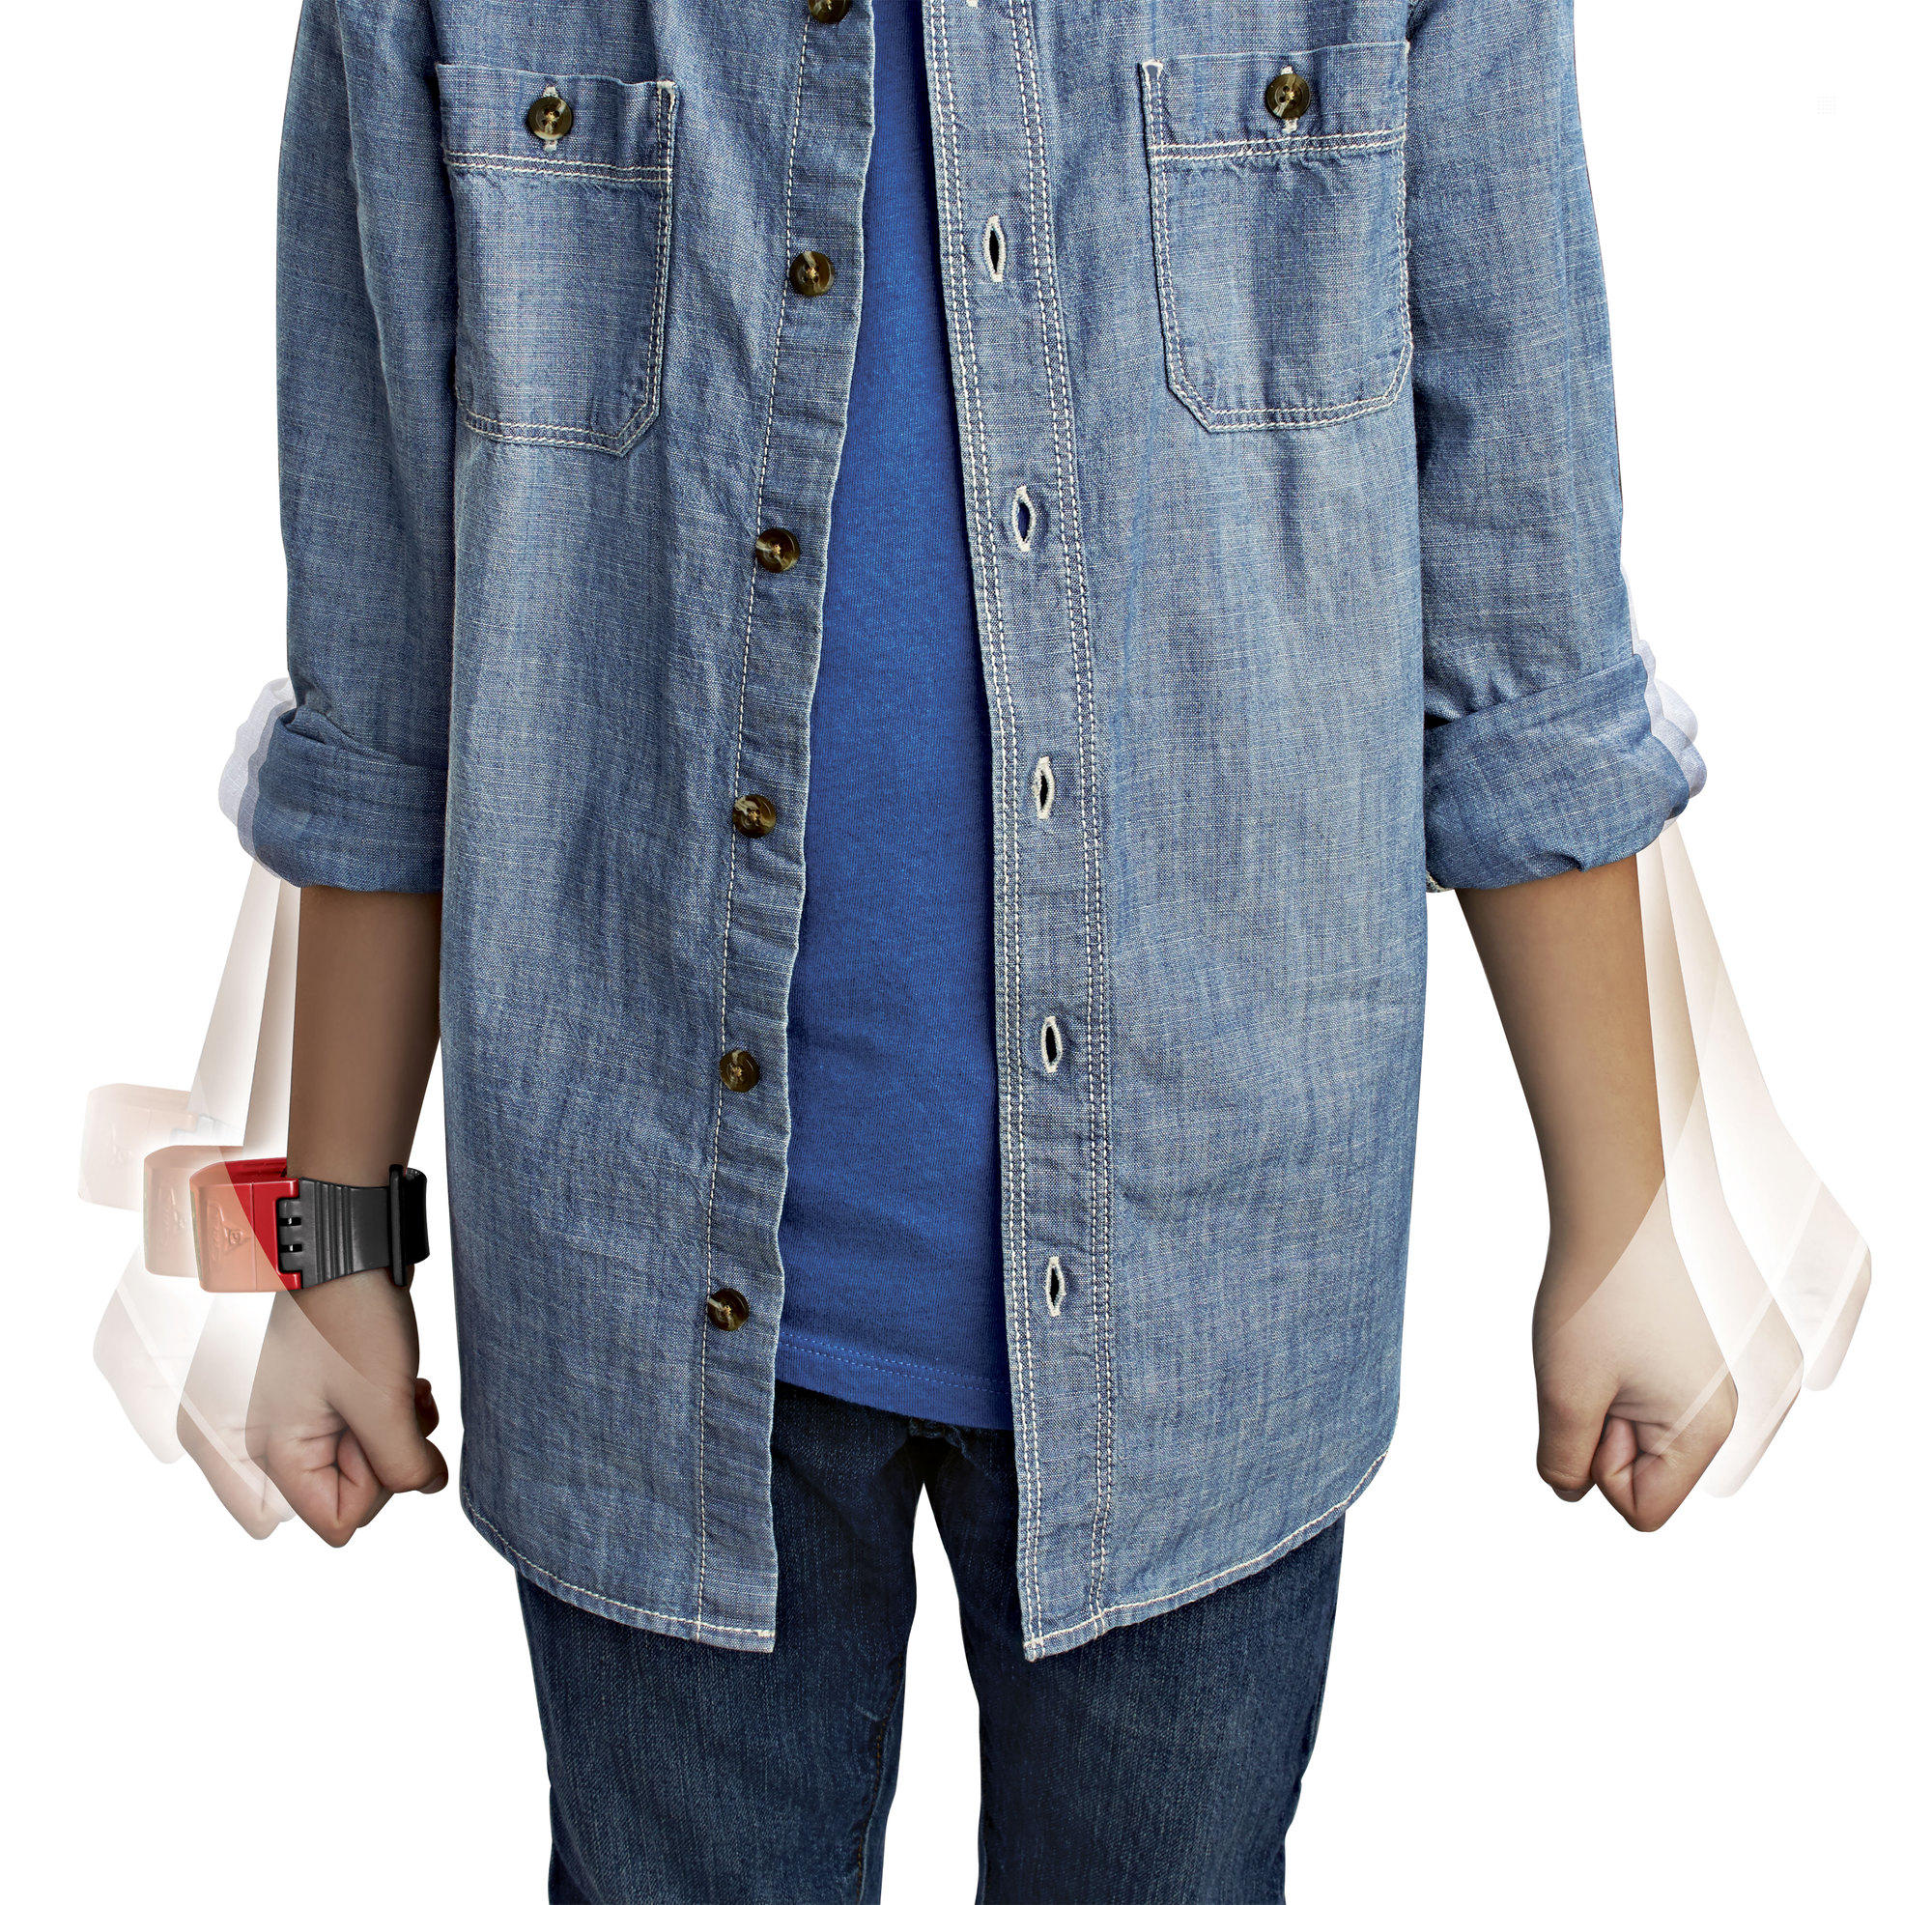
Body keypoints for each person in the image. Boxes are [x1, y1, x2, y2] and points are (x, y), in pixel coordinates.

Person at [240, 0, 1732, 1897]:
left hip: (1211, 1298)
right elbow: (380, 669)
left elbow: (1525, 613)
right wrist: (325, 1250)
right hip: (637, 1299)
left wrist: (1622, 1218)